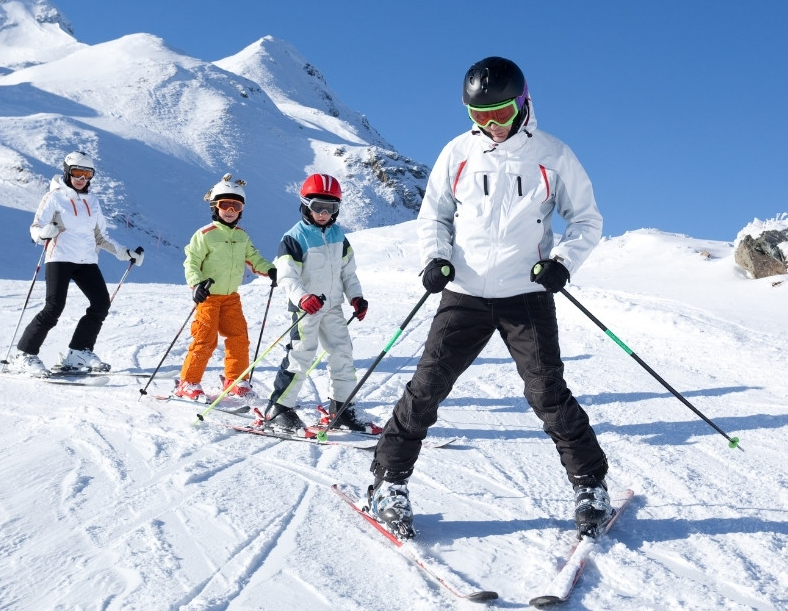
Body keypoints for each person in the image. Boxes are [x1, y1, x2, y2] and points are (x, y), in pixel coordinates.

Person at [368, 56, 611, 540]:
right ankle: (387, 481)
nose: (492, 126)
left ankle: (590, 484)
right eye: (479, 116)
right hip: (464, 292)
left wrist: (562, 262)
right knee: (427, 387)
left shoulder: (553, 154)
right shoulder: (457, 153)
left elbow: (586, 220)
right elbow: (433, 215)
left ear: (522, 103)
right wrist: (436, 258)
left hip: (525, 294)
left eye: (500, 113)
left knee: (547, 393)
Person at [8, 152, 144, 375]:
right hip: (60, 258)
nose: (82, 178)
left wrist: (124, 252)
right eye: (77, 173)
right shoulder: (53, 197)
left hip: (87, 260)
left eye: (87, 174)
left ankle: (79, 351)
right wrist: (43, 233)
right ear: (67, 172)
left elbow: (101, 236)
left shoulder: (93, 201)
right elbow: (35, 228)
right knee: (53, 308)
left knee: (101, 305)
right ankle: (25, 355)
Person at [263, 173, 377, 434]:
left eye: (331, 208)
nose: (324, 214)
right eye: (318, 207)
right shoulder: (294, 237)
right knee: (301, 355)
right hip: (306, 309)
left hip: (333, 307)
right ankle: (279, 408)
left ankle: (342, 408)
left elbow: (348, 272)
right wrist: (303, 298)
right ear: (305, 204)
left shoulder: (339, 235)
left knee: (342, 353)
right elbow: (286, 274)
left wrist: (356, 297)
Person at [176, 174, 276, 401]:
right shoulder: (205, 235)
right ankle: (188, 382)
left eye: (236, 205)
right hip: (208, 297)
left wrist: (270, 270)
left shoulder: (242, 236)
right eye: (224, 205)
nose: (230, 210)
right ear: (215, 206)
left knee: (239, 337)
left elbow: (253, 258)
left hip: (231, 298)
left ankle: (235, 379)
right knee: (205, 339)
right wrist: (196, 284)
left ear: (241, 209)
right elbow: (191, 262)